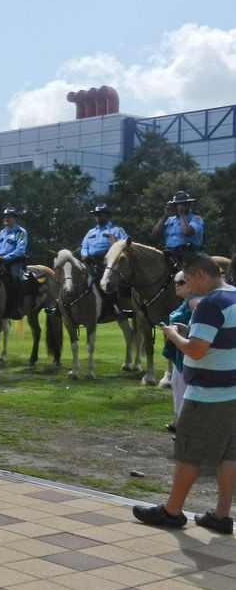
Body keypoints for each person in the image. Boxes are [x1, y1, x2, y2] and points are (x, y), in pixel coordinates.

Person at [134, 253, 236, 535]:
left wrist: (173, 335)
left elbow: (195, 350)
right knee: (229, 454)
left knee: (189, 453)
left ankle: (172, 511)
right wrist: (189, 331)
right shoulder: (234, 296)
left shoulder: (210, 304)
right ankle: (222, 514)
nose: (188, 286)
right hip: (232, 390)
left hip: (207, 393)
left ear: (200, 275)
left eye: (188, 280)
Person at [162, 270, 202, 427]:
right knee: (177, 384)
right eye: (175, 282)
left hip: (186, 354)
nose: (176, 286)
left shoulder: (194, 303)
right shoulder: (187, 303)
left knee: (181, 386)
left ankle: (181, 423)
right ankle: (178, 421)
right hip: (181, 352)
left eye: (181, 282)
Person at [80, 204, 128, 320]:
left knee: (103, 280)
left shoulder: (116, 230)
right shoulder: (90, 232)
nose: (97, 217)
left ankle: (113, 307)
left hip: (107, 262)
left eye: (100, 214)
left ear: (107, 216)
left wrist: (114, 242)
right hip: (90, 262)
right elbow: (84, 246)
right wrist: (84, 254)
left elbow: (124, 246)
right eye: (95, 215)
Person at [0, 207, 28, 320]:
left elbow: (20, 250)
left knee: (16, 279)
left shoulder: (20, 232)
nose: (6, 219)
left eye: (9, 217)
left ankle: (18, 308)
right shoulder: (2, 232)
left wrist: (4, 258)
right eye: (5, 217)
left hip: (14, 262)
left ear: (14, 218)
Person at [153, 191, 204, 259]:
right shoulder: (170, 219)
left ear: (188, 205)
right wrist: (165, 216)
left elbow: (186, 232)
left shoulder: (196, 218)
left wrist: (182, 214)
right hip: (169, 252)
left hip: (189, 253)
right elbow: (155, 234)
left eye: (182, 204)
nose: (179, 207)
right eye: (176, 204)